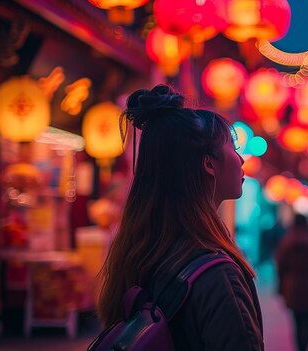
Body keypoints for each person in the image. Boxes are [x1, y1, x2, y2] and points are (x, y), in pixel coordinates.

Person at [97, 85, 264, 350]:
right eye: (233, 147)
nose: (241, 160)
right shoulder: (218, 276)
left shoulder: (140, 255)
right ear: (209, 164)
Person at [275, 214, 308, 351]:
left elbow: (281, 267)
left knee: (297, 323)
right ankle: (305, 347)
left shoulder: (286, 241)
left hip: (292, 287)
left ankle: (299, 347)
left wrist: (280, 288)